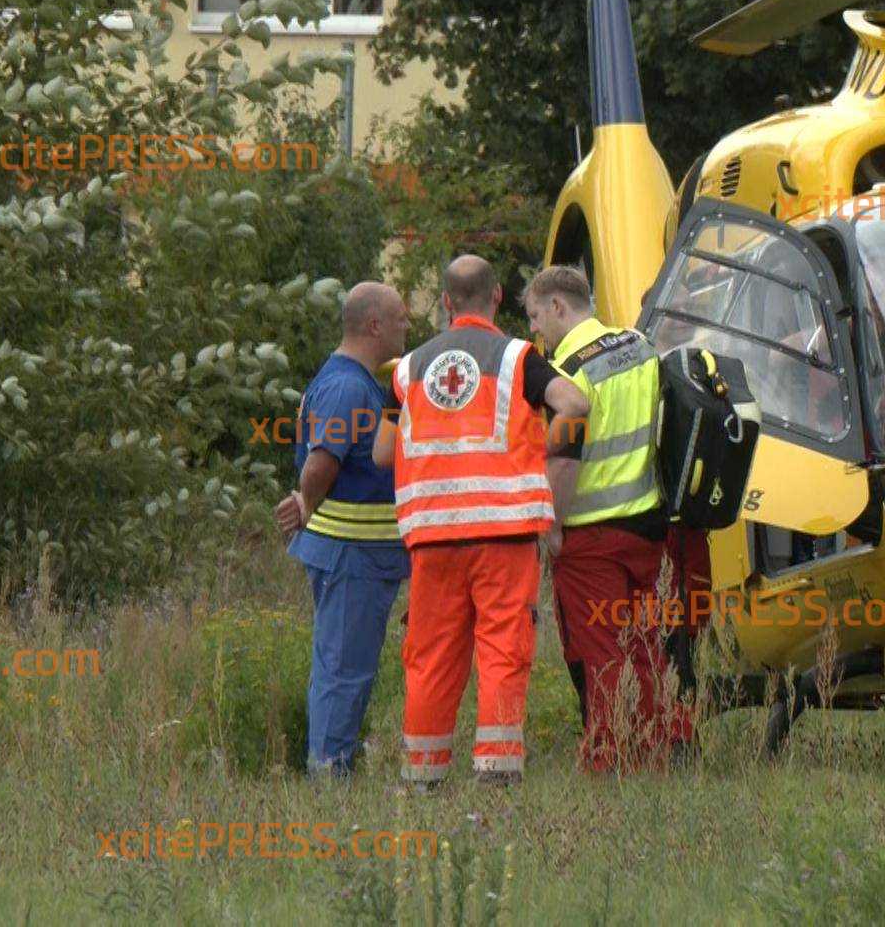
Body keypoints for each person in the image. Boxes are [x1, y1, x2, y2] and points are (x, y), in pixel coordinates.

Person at [372, 255, 589, 789]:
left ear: (446, 303)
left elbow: (380, 453)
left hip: (432, 537)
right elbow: (575, 403)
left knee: (430, 656)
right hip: (503, 530)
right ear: (495, 298)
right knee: (502, 648)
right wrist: (541, 458)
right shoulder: (519, 358)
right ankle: (496, 773)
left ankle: (422, 776)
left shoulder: (408, 369)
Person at [523, 265, 680, 772]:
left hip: (592, 534)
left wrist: (551, 528)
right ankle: (659, 744)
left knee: (600, 650)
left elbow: (564, 460)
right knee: (644, 645)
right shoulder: (639, 344)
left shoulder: (567, 369)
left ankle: (609, 756)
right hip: (648, 524)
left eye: (534, 317)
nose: (534, 331)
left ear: (557, 307)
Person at [272, 282, 412, 777]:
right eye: (399, 317)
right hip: (351, 557)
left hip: (358, 557)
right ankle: (329, 774)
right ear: (374, 325)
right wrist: (306, 505)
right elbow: (321, 463)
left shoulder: (353, 381)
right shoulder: (350, 387)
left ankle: (332, 765)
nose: (407, 326)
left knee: (343, 667)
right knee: (343, 671)